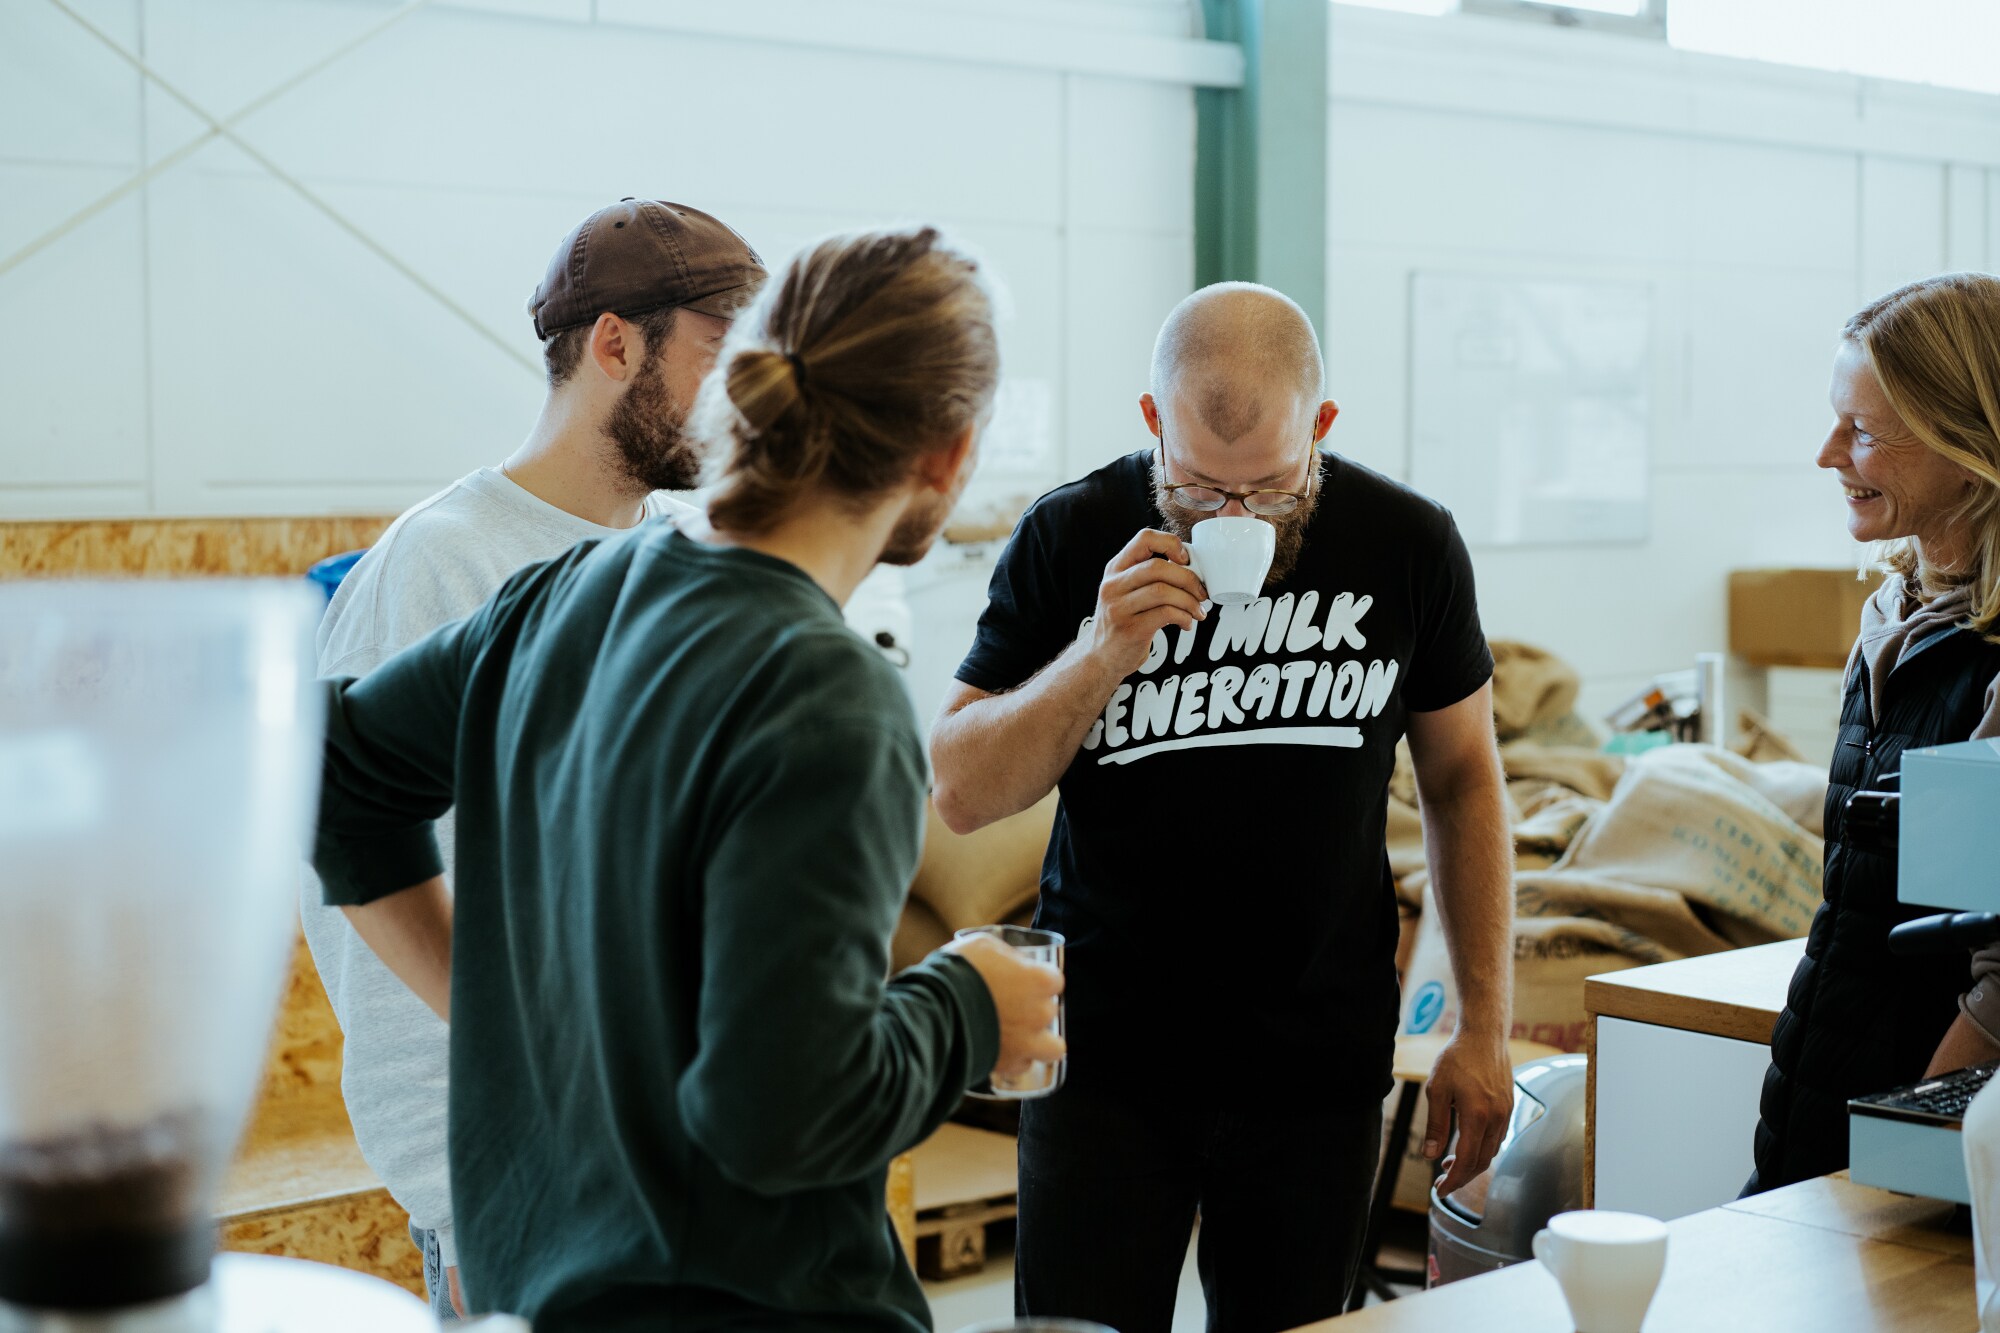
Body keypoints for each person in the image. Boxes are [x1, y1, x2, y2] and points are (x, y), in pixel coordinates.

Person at [310, 224, 1065, 1332]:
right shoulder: (826, 690)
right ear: (946, 457)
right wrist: (964, 1004)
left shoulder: (557, 597)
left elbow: (334, 779)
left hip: (542, 1281)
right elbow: (778, 1112)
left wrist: (505, 1022)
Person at [930, 281, 1517, 1331]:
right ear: (1151, 423)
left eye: (1271, 488)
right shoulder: (1069, 536)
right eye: (1197, 488)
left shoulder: (1407, 543)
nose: (1234, 517)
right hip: (1102, 1063)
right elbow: (964, 790)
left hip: (1316, 1063)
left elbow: (1464, 778)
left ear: (1320, 430)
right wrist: (1100, 650)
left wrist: (1484, 1024)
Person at [299, 197, 764, 1319]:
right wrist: (476, 1179)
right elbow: (362, 882)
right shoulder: (438, 568)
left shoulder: (669, 557)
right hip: (517, 1175)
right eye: (719, 358)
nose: (746, 398)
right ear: (615, 344)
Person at [1749, 272, 2000, 1194]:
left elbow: (1996, 972)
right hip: (1818, 1104)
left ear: (1969, 446)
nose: (1827, 454)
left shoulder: (1993, 665)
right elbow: (1868, 913)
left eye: (1860, 431)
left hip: (1921, 1147)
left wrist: (1904, 1161)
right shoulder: (1894, 614)